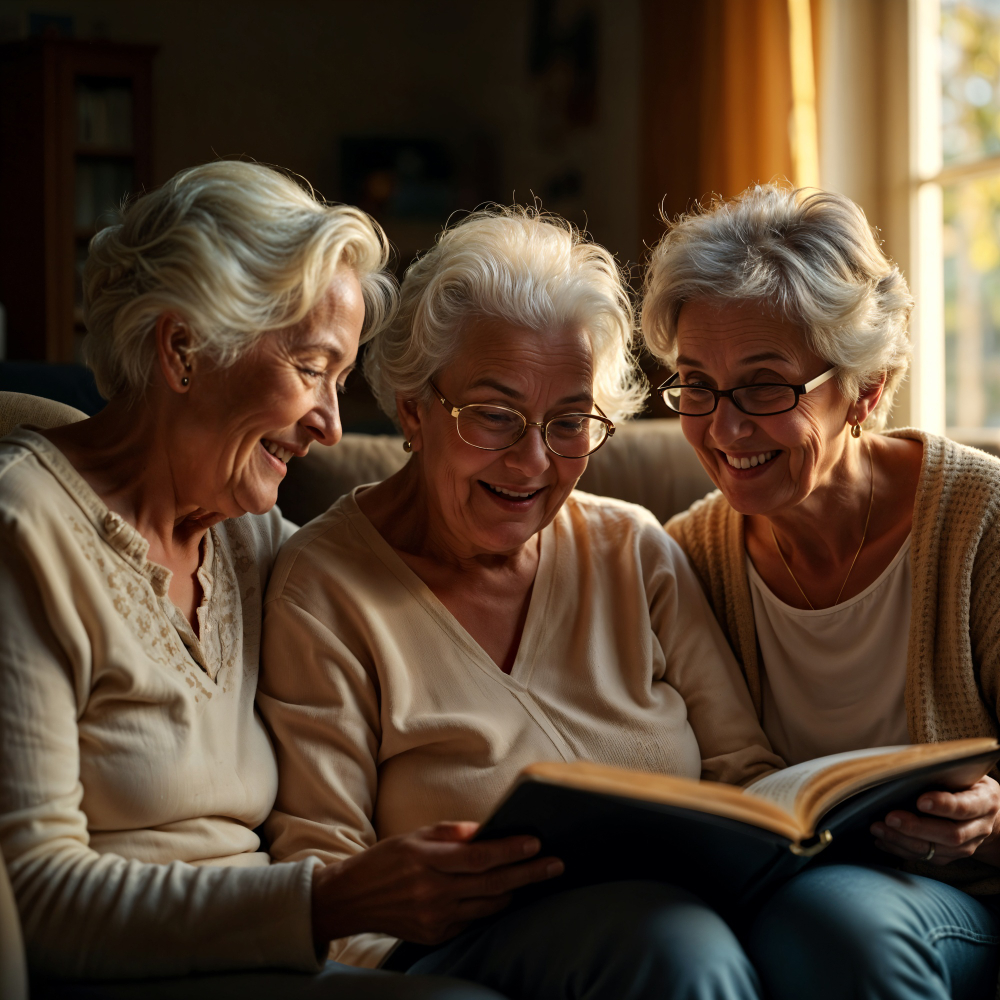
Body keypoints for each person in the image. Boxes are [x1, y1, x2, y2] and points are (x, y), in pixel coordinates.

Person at [0, 161, 558, 1000]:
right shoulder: (25, 533)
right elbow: (33, 900)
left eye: (339, 381)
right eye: (311, 368)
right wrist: (327, 898)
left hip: (277, 962)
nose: (331, 427)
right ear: (183, 349)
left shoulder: (250, 539)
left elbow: (396, 587)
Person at [256, 206, 785, 1000]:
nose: (534, 461)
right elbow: (326, 871)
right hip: (454, 958)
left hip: (679, 923)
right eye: (496, 416)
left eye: (570, 422)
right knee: (676, 953)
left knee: (686, 942)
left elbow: (748, 776)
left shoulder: (634, 552)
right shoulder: (324, 588)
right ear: (412, 408)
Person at [642, 182, 1000, 1000]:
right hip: (781, 905)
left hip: (964, 903)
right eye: (697, 384)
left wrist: (991, 823)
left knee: (836, 920)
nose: (726, 430)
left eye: (765, 386)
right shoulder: (683, 555)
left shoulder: (982, 524)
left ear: (867, 391)